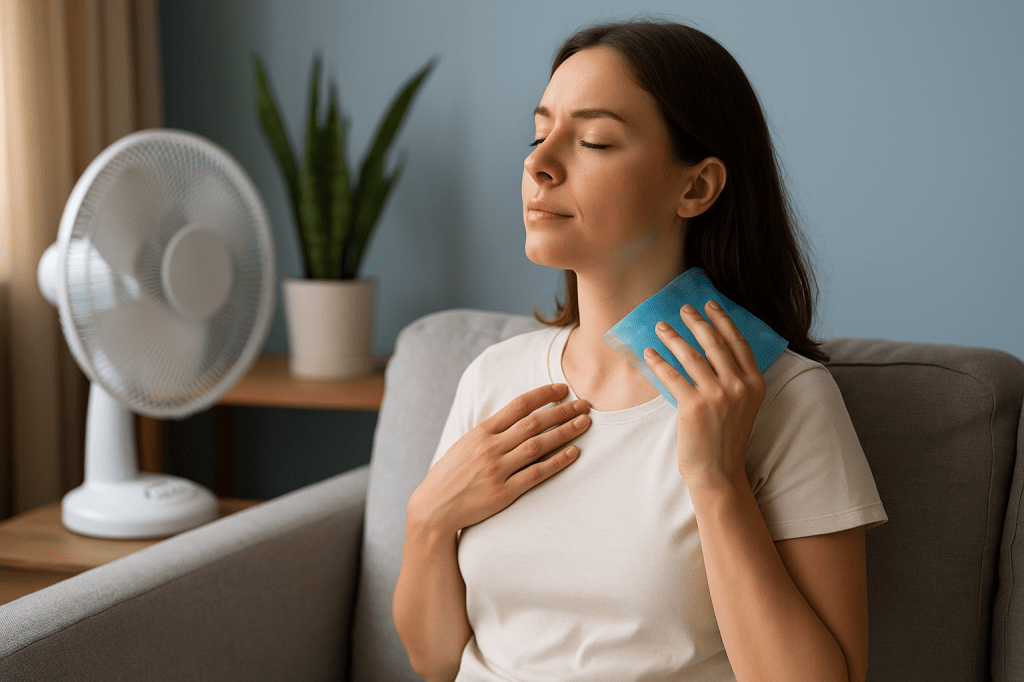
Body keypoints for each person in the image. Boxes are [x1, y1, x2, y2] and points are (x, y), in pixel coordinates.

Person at [393, 19, 887, 682]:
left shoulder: (785, 401)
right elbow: (434, 662)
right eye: (540, 133)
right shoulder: (493, 376)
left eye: (594, 139)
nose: (539, 163)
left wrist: (716, 481)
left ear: (696, 188)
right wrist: (427, 520)